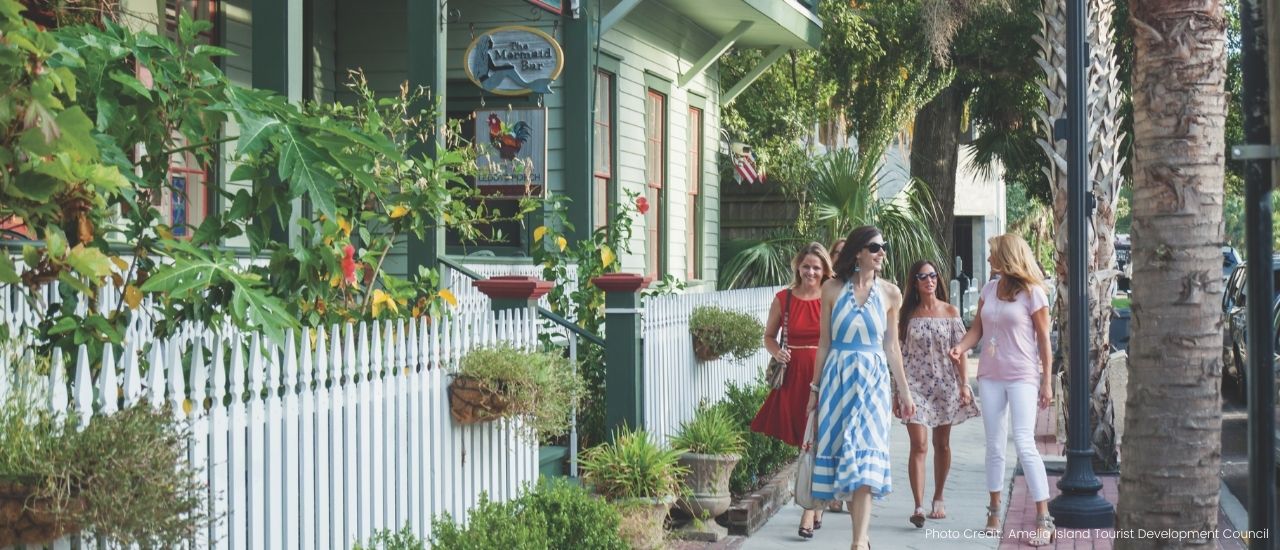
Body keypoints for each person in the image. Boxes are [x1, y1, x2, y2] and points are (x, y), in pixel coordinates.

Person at [806, 226, 916, 550]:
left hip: (874, 384)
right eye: (874, 247)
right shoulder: (831, 289)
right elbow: (824, 345)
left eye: (884, 246)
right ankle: (862, 536)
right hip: (837, 381)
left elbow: (892, 347)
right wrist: (814, 390)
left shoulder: (891, 294)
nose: (881, 252)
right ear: (858, 252)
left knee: (866, 459)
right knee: (846, 458)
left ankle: (857, 542)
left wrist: (905, 392)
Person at [949, 234, 1055, 547]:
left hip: (1022, 375)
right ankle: (993, 512)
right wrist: (960, 347)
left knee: (1024, 443)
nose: (988, 257)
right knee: (994, 445)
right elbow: (977, 330)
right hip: (990, 375)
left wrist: (1046, 379)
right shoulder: (988, 289)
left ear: (1007, 256)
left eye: (992, 252)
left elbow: (1045, 341)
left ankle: (1043, 518)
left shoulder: (1033, 294)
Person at [750, 242, 834, 538]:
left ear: (825, 270)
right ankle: (818, 501)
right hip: (795, 376)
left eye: (817, 267)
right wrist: (776, 352)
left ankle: (809, 512)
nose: (811, 271)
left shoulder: (831, 296)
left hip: (825, 375)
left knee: (816, 441)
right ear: (798, 266)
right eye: (806, 266)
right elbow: (769, 337)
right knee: (806, 443)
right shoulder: (783, 298)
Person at [897, 260, 980, 528]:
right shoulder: (906, 315)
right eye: (922, 277)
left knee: (942, 444)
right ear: (915, 282)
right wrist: (896, 391)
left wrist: (964, 385)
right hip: (915, 387)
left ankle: (939, 496)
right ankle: (918, 505)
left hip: (945, 385)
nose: (929, 280)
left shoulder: (950, 311)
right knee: (918, 444)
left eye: (932, 276)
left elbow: (961, 351)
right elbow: (898, 354)